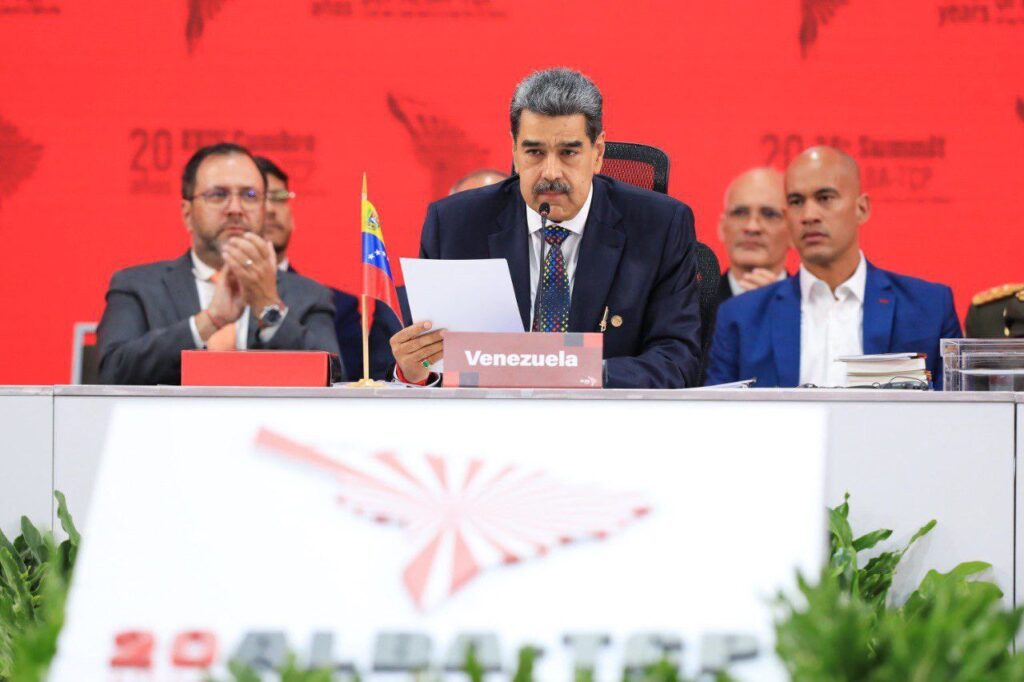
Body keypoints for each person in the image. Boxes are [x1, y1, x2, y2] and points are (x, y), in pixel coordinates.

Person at [388, 68, 701, 388]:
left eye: (569, 152)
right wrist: (415, 371)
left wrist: (576, 373)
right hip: (489, 426)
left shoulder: (659, 226)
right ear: (514, 149)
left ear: (598, 153)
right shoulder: (455, 225)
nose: (550, 172)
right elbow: (432, 363)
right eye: (534, 152)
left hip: (607, 423)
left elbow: (676, 359)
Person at [706, 146, 961, 388]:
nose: (809, 215)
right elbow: (718, 419)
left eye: (825, 198)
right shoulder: (741, 318)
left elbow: (956, 416)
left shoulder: (928, 309)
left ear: (861, 208)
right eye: (796, 201)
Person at [97, 142, 340, 385]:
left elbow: (335, 381)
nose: (235, 209)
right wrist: (209, 321)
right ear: (187, 213)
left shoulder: (310, 296)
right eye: (218, 194)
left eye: (249, 195)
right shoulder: (138, 287)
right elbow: (112, 372)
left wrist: (269, 308)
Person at [254, 156, 363, 378]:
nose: (270, 209)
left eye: (279, 198)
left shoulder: (338, 306)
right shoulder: (195, 291)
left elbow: (343, 383)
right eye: (254, 198)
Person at [716, 167, 790, 304]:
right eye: (740, 213)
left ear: (793, 233)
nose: (752, 227)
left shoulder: (813, 310)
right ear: (722, 228)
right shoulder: (689, 309)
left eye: (769, 214)